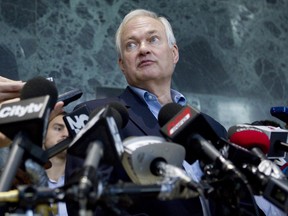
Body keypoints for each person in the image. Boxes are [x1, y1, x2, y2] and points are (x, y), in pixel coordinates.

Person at [66, 9, 233, 216]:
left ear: (174, 53)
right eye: (131, 45)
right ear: (122, 65)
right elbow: (84, 203)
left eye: (153, 39)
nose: (143, 49)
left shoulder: (212, 127)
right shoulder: (101, 115)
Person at [43, 111, 69, 216]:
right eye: (58, 128)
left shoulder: (82, 181)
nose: (66, 135)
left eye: (70, 131)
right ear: (43, 134)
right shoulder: (22, 178)